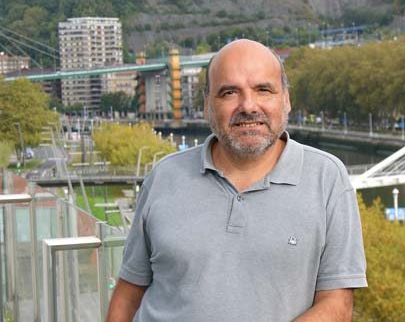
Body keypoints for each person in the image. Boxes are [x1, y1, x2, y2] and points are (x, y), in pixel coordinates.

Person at [107, 40, 367, 321]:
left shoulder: (327, 179)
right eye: (229, 92)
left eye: (263, 89)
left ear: (286, 99)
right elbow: (129, 293)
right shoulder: (164, 177)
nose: (248, 106)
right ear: (207, 104)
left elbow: (337, 305)